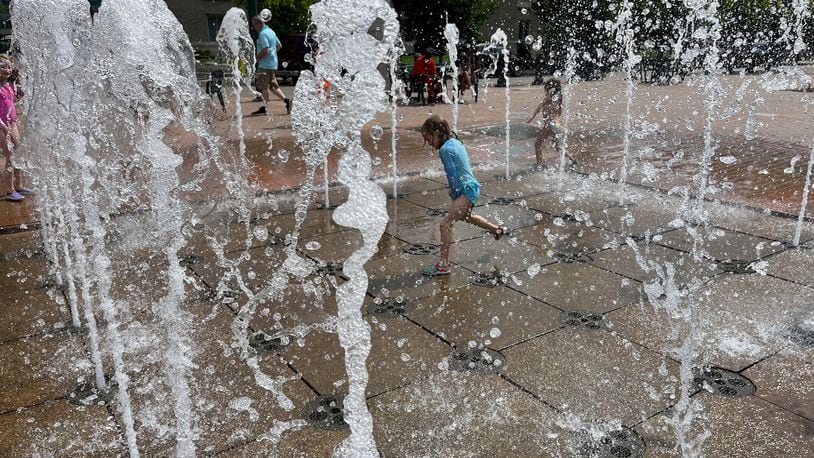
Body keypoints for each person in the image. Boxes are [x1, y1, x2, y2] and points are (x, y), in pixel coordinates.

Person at [420, 115, 509, 276]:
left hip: (466, 190)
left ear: (437, 132)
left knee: (445, 224)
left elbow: (452, 175)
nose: (429, 144)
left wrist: (454, 192)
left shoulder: (445, 150)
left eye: (429, 138)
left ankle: (443, 265)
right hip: (472, 187)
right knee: (467, 217)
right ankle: (497, 230)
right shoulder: (455, 142)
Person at [526, 78, 575, 168]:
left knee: (537, 144)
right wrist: (532, 117)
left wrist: (532, 118)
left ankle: (539, 164)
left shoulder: (551, 97)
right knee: (557, 147)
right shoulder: (557, 98)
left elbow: (541, 106)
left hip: (549, 125)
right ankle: (572, 160)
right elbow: (542, 107)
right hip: (555, 125)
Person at [0, 55, 30, 202]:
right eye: (4, 66)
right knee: (10, 156)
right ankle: (9, 189)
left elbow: (11, 103)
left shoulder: (10, 85)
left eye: (9, 66)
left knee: (18, 153)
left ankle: (19, 185)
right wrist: (2, 125)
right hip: (2, 126)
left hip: (12, 124)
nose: (8, 69)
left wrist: (20, 97)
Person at [250, 14, 291, 116]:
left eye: (254, 25)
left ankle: (264, 107)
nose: (254, 28)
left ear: (259, 23)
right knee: (273, 86)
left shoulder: (263, 34)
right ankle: (287, 101)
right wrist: (272, 53)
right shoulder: (271, 32)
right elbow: (279, 46)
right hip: (272, 64)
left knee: (264, 87)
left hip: (264, 65)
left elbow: (265, 49)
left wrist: (257, 58)